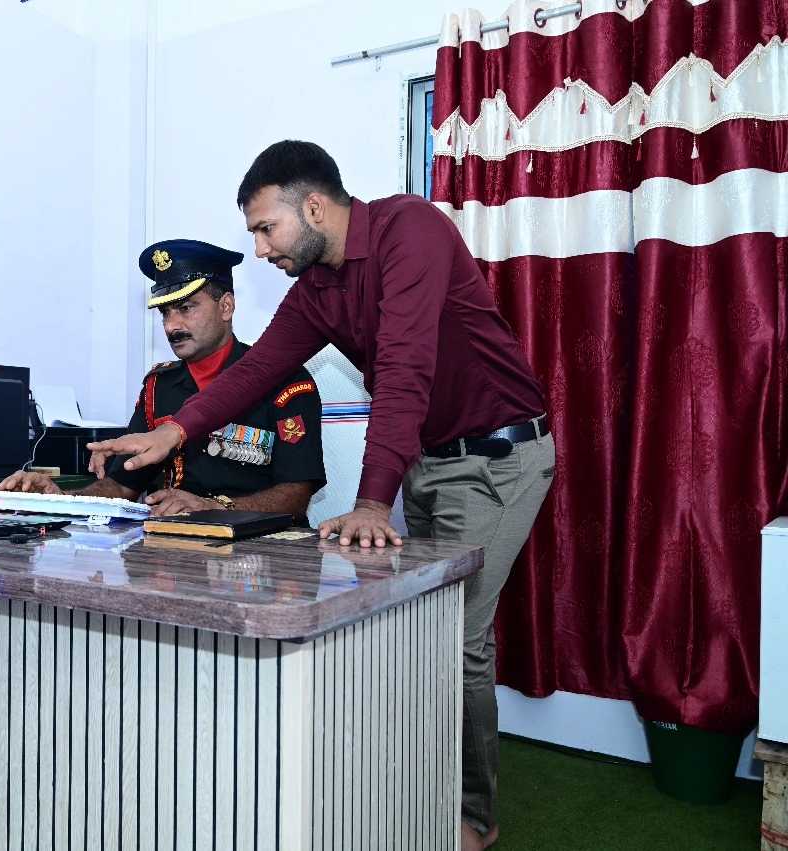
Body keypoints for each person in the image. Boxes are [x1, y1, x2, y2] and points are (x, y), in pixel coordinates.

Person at [87, 142, 555, 850]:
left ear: (312, 206)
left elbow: (403, 370)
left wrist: (372, 501)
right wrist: (172, 433)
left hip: (498, 457)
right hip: (431, 461)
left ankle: (471, 817)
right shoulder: (319, 290)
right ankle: (415, 785)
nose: (260, 246)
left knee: (457, 644)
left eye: (265, 227)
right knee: (420, 635)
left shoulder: (411, 229)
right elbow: (258, 370)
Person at [0, 238, 326, 518]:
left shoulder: (284, 380)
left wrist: (212, 507)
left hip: (258, 557)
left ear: (226, 307)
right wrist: (59, 499)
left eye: (186, 308)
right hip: (173, 553)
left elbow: (296, 495)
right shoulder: (159, 386)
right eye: (165, 312)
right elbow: (122, 486)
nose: (172, 326)